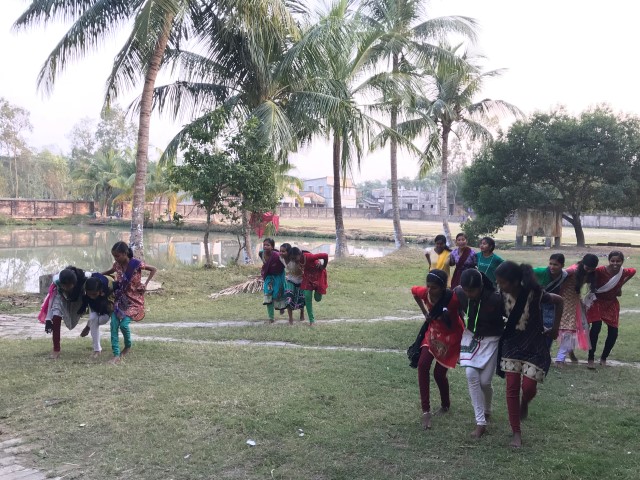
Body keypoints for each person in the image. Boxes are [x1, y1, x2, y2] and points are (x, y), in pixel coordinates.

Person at [495, 261, 563, 448]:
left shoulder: (535, 294)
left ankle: (525, 401)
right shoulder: (501, 295)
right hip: (511, 345)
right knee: (511, 387)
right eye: (498, 282)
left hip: (534, 345)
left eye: (503, 282)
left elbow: (559, 301)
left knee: (529, 387)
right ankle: (516, 432)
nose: (500, 286)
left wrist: (555, 329)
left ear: (515, 281)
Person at [411, 269, 465, 430]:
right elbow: (414, 291)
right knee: (422, 365)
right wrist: (425, 313)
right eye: (428, 286)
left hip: (451, 339)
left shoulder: (453, 300)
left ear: (442, 287)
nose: (429, 290)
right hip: (433, 334)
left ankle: (445, 404)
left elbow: (467, 307)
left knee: (439, 374)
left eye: (433, 287)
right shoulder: (424, 293)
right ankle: (425, 411)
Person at [454, 269, 505, 438]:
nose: (469, 294)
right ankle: (480, 422)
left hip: (492, 339)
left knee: (485, 382)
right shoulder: (459, 293)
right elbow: (452, 306)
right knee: (471, 375)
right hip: (471, 337)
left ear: (481, 286)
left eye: (472, 291)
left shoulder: (496, 299)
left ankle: (487, 409)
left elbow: (512, 315)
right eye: (466, 290)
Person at [102, 241, 157, 364]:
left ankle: (127, 346)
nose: (116, 259)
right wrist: (98, 274)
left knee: (123, 325)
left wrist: (145, 284)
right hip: (121, 300)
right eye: (114, 256)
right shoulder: (117, 265)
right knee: (114, 324)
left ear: (125, 253)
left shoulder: (136, 264)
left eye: (117, 256)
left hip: (134, 301)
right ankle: (116, 354)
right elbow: (111, 271)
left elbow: (153, 269)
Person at [586, 251, 636, 368]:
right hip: (597, 301)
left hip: (611, 303)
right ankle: (591, 357)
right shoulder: (600, 271)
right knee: (596, 327)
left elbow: (633, 271)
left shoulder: (623, 272)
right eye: (612, 261)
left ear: (622, 261)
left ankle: (604, 358)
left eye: (618, 261)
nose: (615, 263)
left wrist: (620, 285)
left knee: (613, 332)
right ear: (609, 261)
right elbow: (588, 277)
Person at [553, 254, 599, 365]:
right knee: (567, 329)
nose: (589, 271)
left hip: (575, 302)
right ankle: (560, 359)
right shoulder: (572, 271)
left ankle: (568, 352)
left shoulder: (588, 272)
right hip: (563, 301)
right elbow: (557, 280)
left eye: (591, 269)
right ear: (583, 263)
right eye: (587, 268)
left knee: (575, 328)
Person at [39, 266, 89, 359]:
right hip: (62, 297)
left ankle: (89, 329)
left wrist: (84, 305)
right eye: (64, 285)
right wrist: (48, 319)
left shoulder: (84, 278)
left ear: (74, 283)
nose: (66, 288)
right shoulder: (57, 281)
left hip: (78, 299)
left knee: (72, 322)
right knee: (56, 315)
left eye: (68, 286)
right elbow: (51, 299)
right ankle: (56, 349)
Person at [533, 254, 569, 351]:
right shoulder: (540, 272)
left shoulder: (564, 276)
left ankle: (545, 353)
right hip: (537, 305)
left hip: (551, 306)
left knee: (549, 331)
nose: (552, 267)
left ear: (562, 265)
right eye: (550, 264)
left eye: (555, 265)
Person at [78, 273, 118, 358]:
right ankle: (97, 350)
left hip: (106, 304)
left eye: (94, 294)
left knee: (103, 320)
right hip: (94, 305)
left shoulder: (109, 287)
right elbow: (85, 300)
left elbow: (120, 286)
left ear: (100, 291)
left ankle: (89, 325)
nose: (91, 296)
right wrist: (82, 310)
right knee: (93, 319)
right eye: (89, 294)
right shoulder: (86, 289)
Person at [259, 238, 287, 323]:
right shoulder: (261, 253)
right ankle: (271, 318)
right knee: (268, 295)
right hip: (268, 277)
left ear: (272, 247)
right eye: (264, 245)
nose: (265, 246)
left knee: (276, 294)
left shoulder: (277, 255)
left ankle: (282, 307)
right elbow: (266, 265)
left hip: (278, 276)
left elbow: (285, 264)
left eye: (268, 245)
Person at [300, 250, 329, 325]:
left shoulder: (309, 257)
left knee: (317, 299)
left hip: (318, 276)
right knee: (307, 298)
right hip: (307, 278)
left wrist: (323, 266)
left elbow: (325, 255)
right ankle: (311, 320)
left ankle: (318, 292)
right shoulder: (293, 258)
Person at [279, 243, 306, 324]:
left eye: (283, 251)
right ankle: (290, 318)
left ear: (289, 252)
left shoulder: (295, 259)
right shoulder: (280, 258)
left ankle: (302, 313)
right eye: (280, 251)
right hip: (290, 280)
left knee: (301, 299)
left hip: (301, 281)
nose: (281, 253)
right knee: (288, 298)